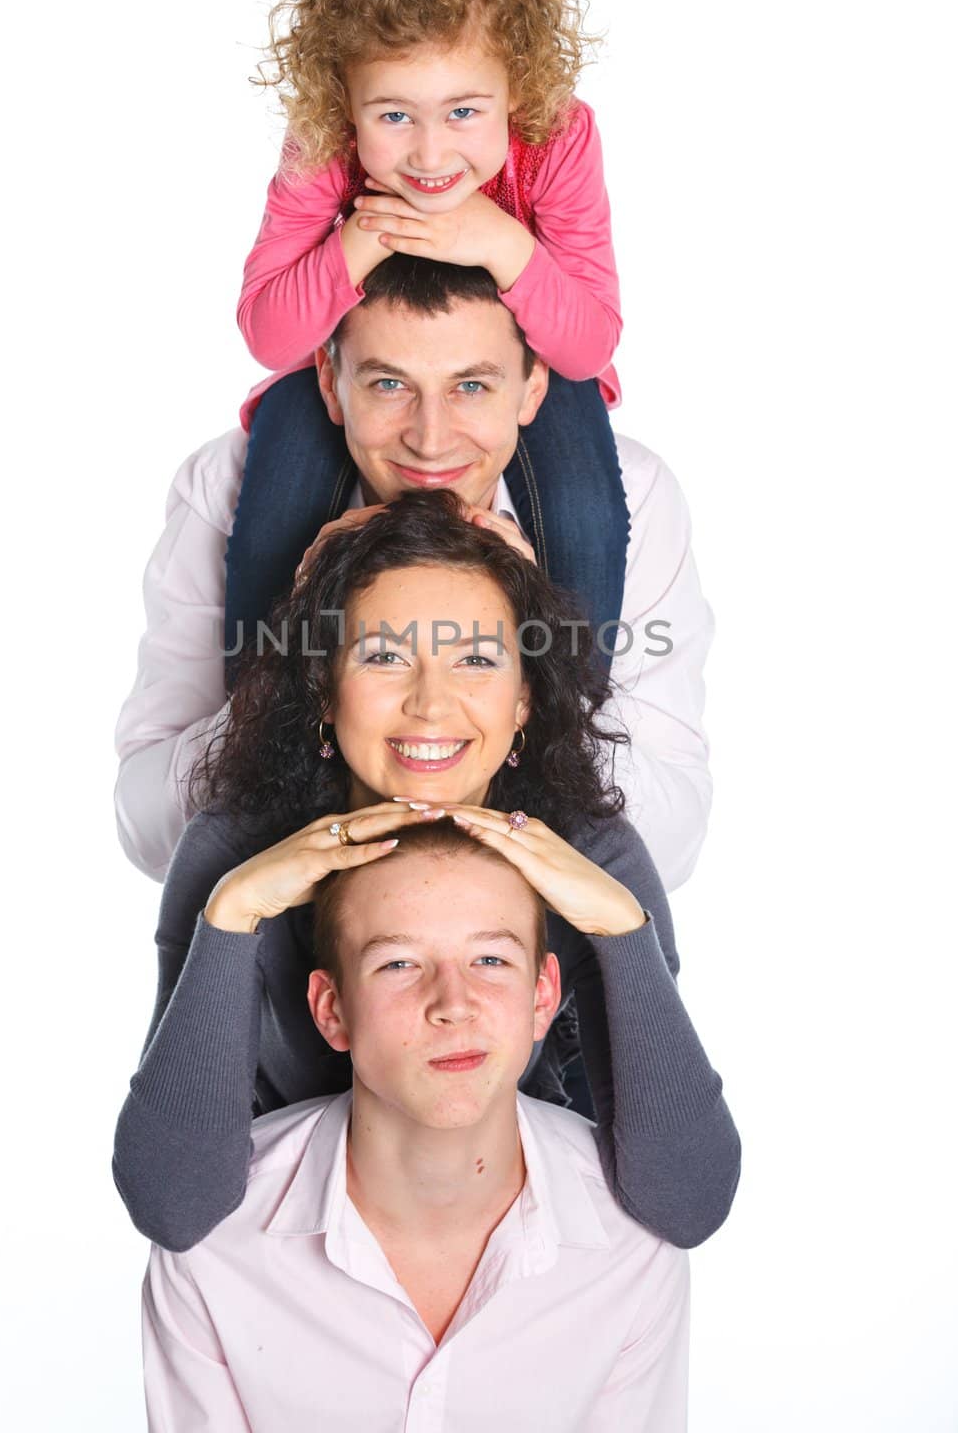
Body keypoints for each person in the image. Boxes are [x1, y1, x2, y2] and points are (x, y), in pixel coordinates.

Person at [113, 490, 740, 1255]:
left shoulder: (591, 856)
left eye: (476, 659)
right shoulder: (234, 851)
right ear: (323, 688)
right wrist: (232, 915)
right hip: (289, 1253)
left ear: (523, 702)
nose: (430, 704)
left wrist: (621, 935)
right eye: (382, 657)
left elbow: (687, 1201)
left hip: (511, 1244)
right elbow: (174, 1204)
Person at [114, 258, 714, 893]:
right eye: (388, 385)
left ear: (534, 385)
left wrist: (543, 662)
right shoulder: (230, 488)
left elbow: (670, 853)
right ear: (329, 379)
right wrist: (294, 651)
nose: (430, 442)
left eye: (472, 387)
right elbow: (149, 834)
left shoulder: (630, 498)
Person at [142, 818, 690, 1432]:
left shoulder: (630, 1247)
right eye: (399, 964)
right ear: (332, 1010)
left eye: (490, 958)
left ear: (543, 999)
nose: (452, 1003)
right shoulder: (216, 1249)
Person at [230, 0, 629, 679]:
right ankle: (255, 720)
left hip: (525, 360)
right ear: (345, 105)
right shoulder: (321, 145)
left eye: (462, 112)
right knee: (275, 515)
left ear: (515, 90)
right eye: (392, 116)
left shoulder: (556, 138)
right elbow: (268, 332)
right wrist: (359, 238)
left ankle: (570, 722)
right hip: (354, 365)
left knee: (586, 513)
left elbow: (586, 346)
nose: (430, 154)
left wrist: (503, 242)